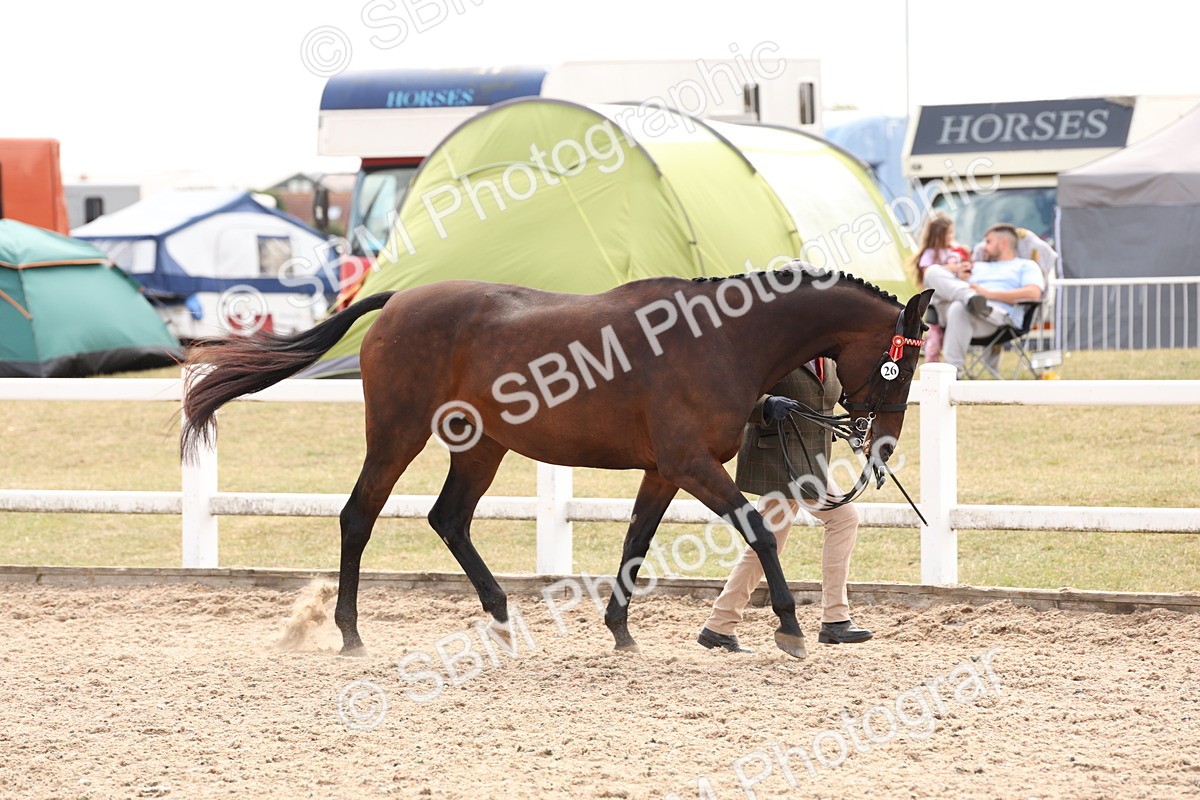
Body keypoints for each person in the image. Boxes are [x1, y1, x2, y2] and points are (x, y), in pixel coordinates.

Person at [697, 357, 872, 653]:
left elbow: (830, 396)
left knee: (767, 541)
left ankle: (719, 625)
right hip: (779, 457)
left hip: (807, 457)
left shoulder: (828, 354)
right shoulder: (780, 340)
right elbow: (730, 391)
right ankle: (835, 619)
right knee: (843, 518)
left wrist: (859, 426)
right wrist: (765, 404)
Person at [921, 223, 1045, 374]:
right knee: (933, 271)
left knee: (959, 308)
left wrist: (988, 294)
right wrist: (959, 276)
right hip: (963, 306)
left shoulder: (1025, 265)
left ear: (1003, 243)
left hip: (997, 318)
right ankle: (970, 297)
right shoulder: (977, 266)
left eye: (988, 241)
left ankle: (953, 373)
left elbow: (1033, 293)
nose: (983, 247)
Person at [910, 211, 973, 362]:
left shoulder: (955, 249)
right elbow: (928, 275)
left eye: (952, 232)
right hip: (936, 305)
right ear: (938, 235)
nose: (952, 236)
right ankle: (932, 368)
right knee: (935, 342)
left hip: (953, 301)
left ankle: (952, 367)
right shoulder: (930, 254)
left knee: (953, 337)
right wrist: (950, 268)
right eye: (949, 233)